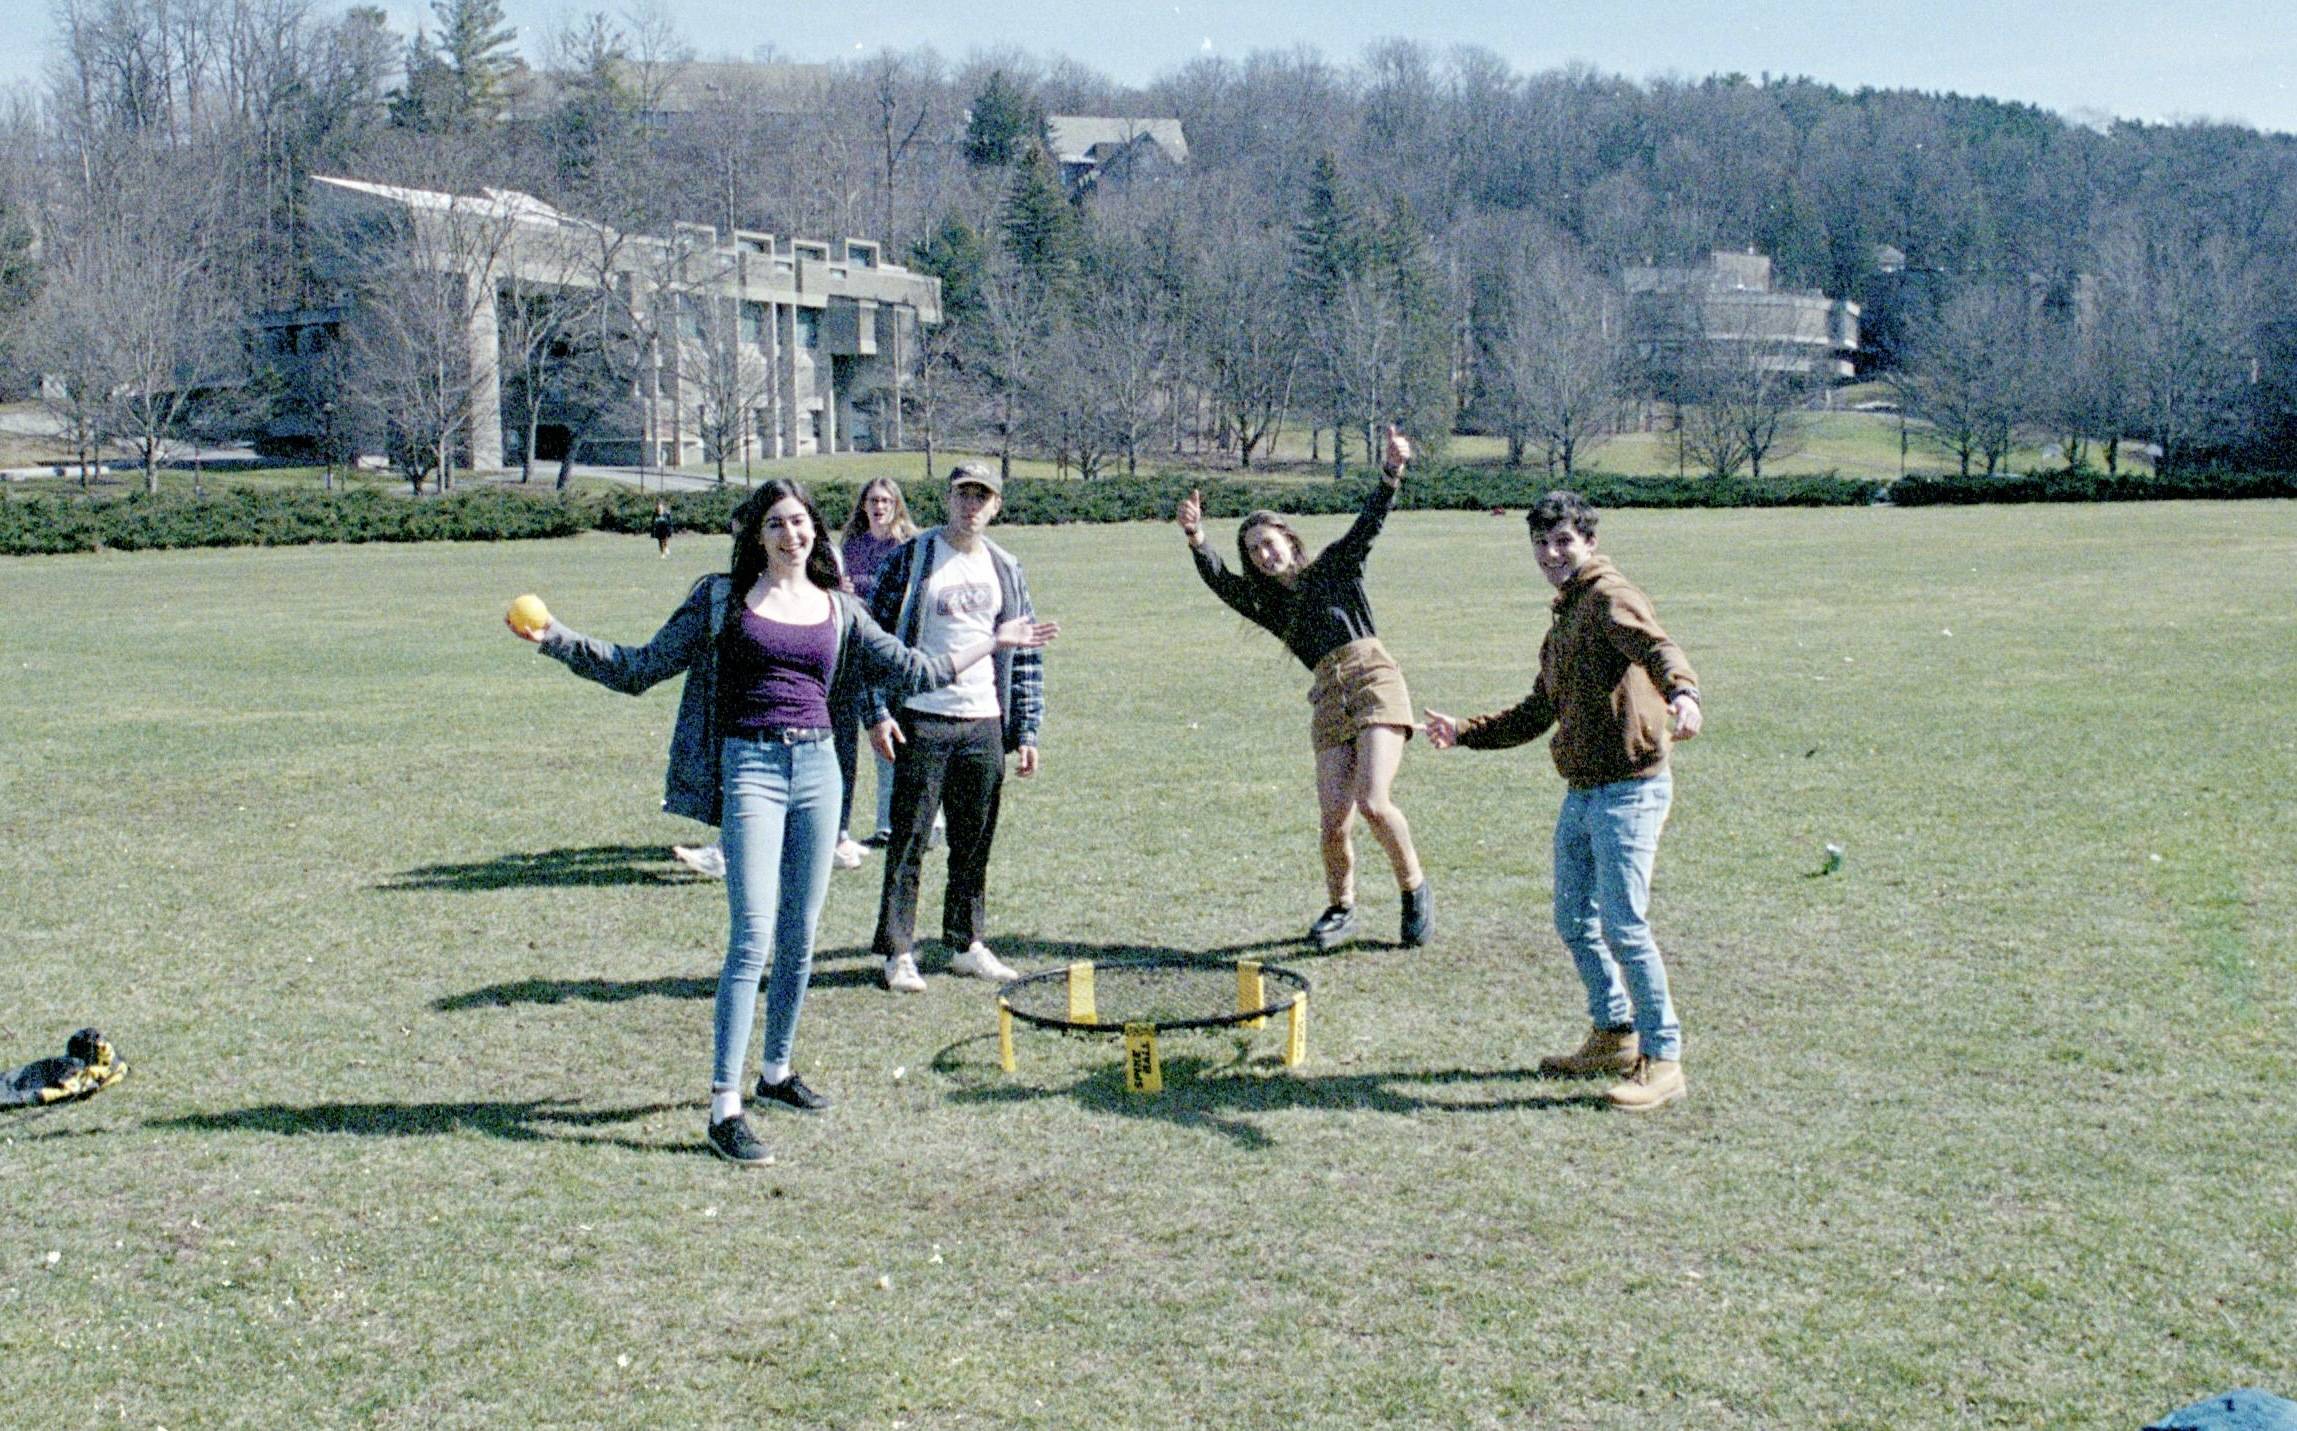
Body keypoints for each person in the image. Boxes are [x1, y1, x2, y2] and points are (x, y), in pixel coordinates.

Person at [510, 479, 1057, 1164]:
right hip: (752, 769)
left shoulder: (841, 608)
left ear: (816, 533)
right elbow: (639, 667)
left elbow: (916, 669)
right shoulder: (721, 600)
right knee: (752, 939)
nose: (791, 534)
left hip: (819, 772)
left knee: (799, 937)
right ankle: (723, 1105)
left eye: (800, 522)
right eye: (776, 523)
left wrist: (992, 641)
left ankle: (775, 1072)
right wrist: (555, 637)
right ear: (757, 536)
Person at [1422, 490, 1703, 1113]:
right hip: (1583, 790)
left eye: (1563, 542)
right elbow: (1540, 709)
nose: (1551, 554)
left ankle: (1665, 1059)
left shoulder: (1608, 597)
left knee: (1625, 926)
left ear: (1589, 543)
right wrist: (1465, 731)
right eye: (1541, 544)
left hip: (1629, 787)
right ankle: (1614, 1034)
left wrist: (1684, 694)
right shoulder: (1567, 615)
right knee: (1574, 920)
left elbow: (1659, 648)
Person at [1175, 426, 1431, 951]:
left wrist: (1391, 471)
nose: (1264, 556)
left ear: (1289, 541)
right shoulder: (1269, 606)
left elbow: (1369, 523)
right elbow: (1223, 583)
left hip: (1374, 679)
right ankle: (1341, 908)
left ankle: (1414, 891)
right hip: (1328, 695)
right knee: (1333, 819)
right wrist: (1198, 539)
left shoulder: (1336, 567)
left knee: (1374, 802)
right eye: (1254, 552)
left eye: (1269, 544)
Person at [864, 463, 1048, 993]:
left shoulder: (1006, 568)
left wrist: (1027, 729)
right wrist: (877, 711)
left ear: (995, 507)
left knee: (975, 839)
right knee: (910, 839)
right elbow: (872, 641)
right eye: (963, 495)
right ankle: (898, 951)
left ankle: (966, 942)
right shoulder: (914, 558)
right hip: (922, 717)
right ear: (947, 499)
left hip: (983, 720)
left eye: (982, 497)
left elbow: (1026, 650)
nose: (971, 506)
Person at [830, 476, 921, 868]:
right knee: (871, 735)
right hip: (854, 646)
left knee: (903, 732)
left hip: (893, 646)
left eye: (885, 500)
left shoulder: (907, 545)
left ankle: (914, 820)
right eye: (872, 500)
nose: (879, 506)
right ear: (863, 505)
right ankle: (884, 824)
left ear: (896, 504)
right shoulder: (852, 545)